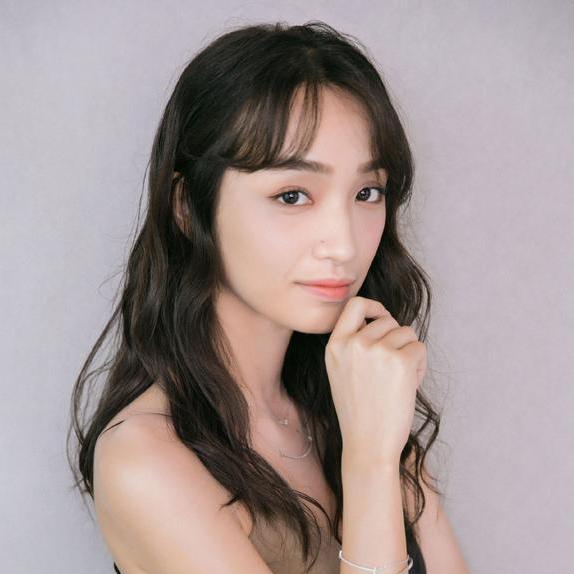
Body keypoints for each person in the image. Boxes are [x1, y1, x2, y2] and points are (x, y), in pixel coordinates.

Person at [67, 20, 470, 574]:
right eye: (293, 195)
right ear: (187, 206)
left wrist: (376, 447)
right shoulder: (147, 459)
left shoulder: (359, 402)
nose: (344, 244)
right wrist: (370, 463)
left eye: (367, 191)